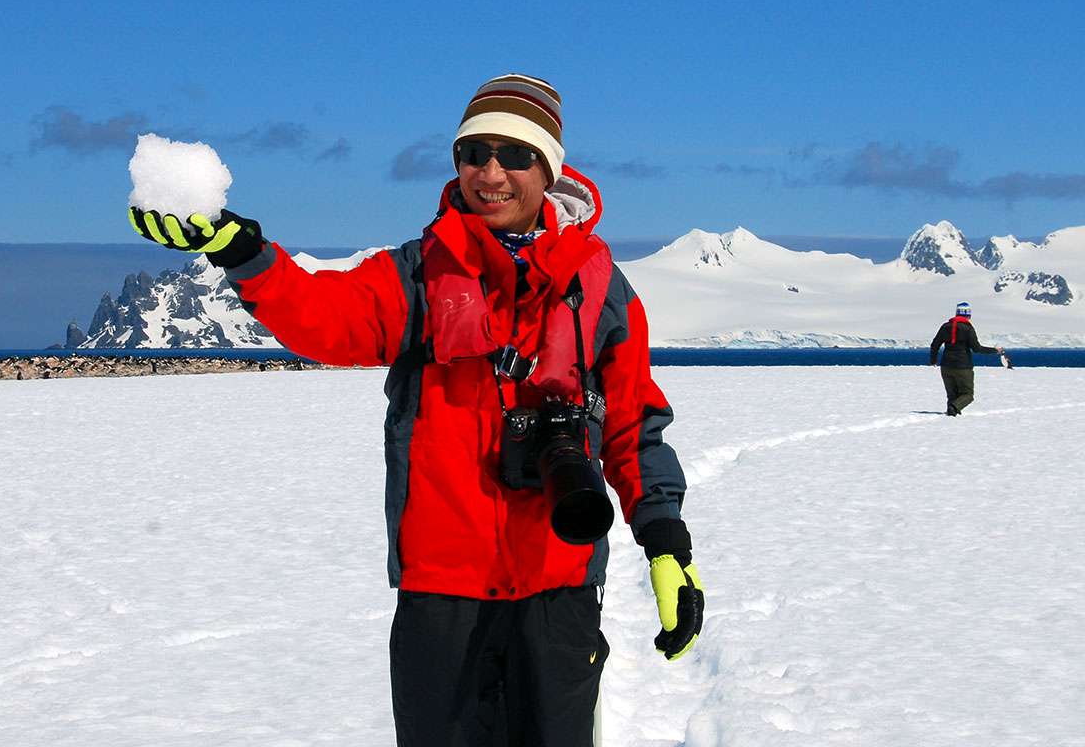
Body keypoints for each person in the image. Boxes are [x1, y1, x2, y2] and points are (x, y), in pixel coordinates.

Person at [129, 73, 702, 747]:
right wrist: (245, 254)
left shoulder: (599, 291)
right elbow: (323, 317)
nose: (491, 171)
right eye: (474, 152)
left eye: (515, 155)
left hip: (558, 590)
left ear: (548, 169)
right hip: (442, 598)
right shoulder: (417, 278)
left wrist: (666, 542)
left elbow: (633, 426)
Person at [929, 301, 1007, 416]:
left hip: (946, 366)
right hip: (963, 367)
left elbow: (935, 345)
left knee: (952, 395)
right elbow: (977, 348)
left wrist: (933, 359)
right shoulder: (968, 328)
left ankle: (951, 417)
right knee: (968, 395)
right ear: (968, 315)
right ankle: (954, 409)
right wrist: (995, 351)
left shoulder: (945, 327)